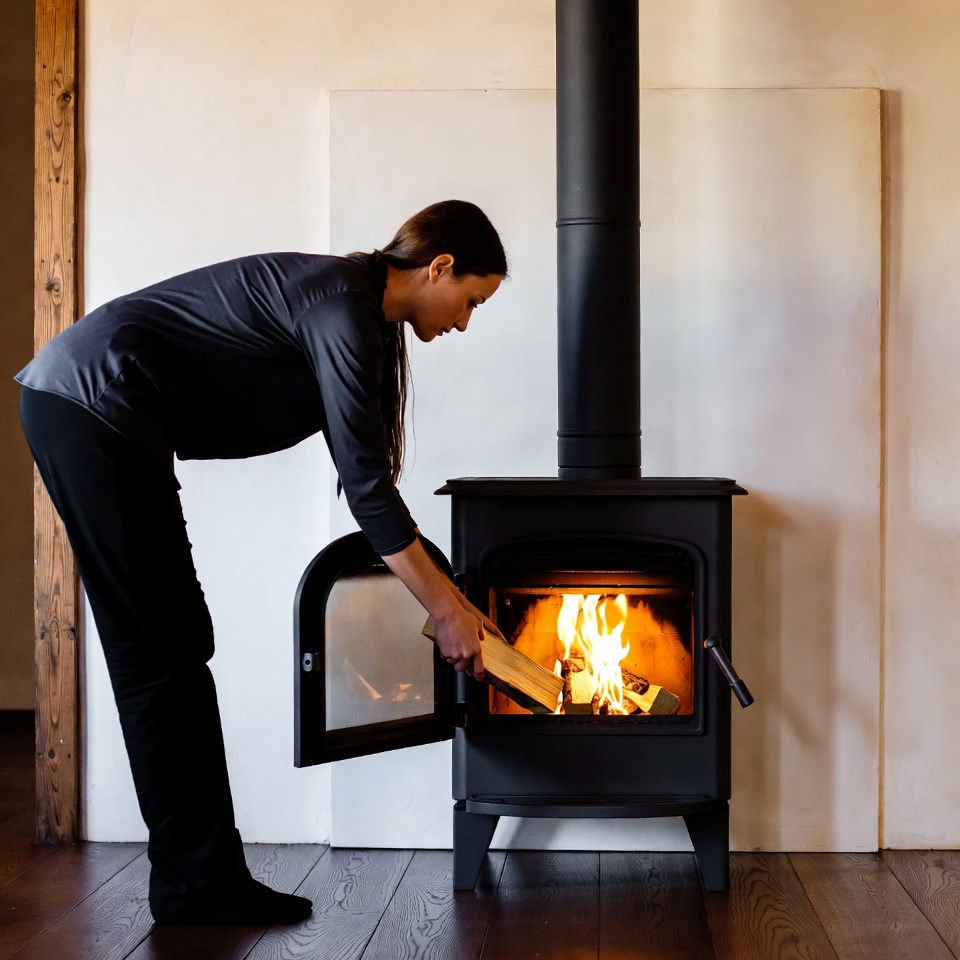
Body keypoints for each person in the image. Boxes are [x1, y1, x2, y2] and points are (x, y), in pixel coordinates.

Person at [16, 199, 507, 925]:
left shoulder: (359, 312)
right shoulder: (344, 306)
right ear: (438, 267)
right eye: (469, 300)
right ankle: (195, 885)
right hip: (93, 406)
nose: (465, 321)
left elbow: (369, 481)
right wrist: (446, 608)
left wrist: (450, 602)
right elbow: (369, 495)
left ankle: (201, 878)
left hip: (107, 417)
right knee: (158, 654)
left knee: (178, 643)